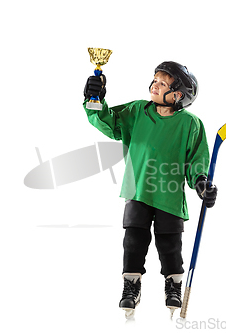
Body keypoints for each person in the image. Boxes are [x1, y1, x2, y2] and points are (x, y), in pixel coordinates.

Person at [83, 61, 217, 317]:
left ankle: (173, 285)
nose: (154, 85)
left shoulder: (191, 124)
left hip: (169, 194)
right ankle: (131, 285)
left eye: (162, 83)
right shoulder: (137, 111)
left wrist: (201, 182)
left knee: (169, 244)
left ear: (178, 95)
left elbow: (196, 160)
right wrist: (94, 98)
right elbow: (106, 121)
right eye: (154, 79)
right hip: (138, 189)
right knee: (133, 240)